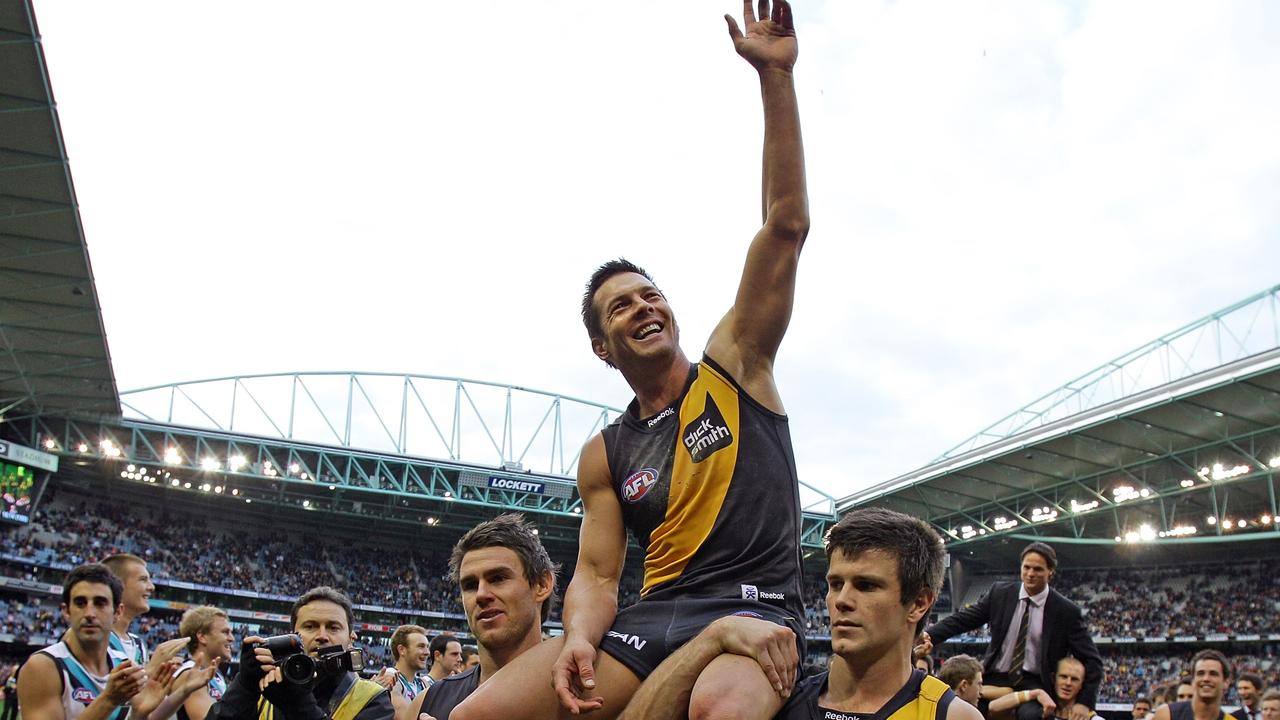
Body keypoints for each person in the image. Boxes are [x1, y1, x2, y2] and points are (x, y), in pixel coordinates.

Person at [454, 3, 810, 719]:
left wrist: (775, 78)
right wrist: (582, 636)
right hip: (650, 623)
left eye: (652, 295)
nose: (644, 307)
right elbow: (594, 572)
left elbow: (785, 225)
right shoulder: (605, 453)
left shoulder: (735, 365)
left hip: (753, 608)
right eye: (621, 307)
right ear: (601, 347)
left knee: (721, 711)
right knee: (473, 716)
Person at [618, 507, 981, 720]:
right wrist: (712, 637)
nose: (841, 600)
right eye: (835, 583)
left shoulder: (950, 716)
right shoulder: (774, 696)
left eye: (866, 586)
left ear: (919, 603)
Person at [923, 542, 1102, 720]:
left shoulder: (1065, 611)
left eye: (1038, 569)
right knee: (963, 709)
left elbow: (1092, 660)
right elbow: (963, 620)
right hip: (995, 677)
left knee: (1033, 717)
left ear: (1050, 572)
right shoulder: (1000, 593)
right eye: (1027, 567)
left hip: (1035, 683)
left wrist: (1085, 702)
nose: (1031, 574)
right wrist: (928, 635)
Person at [403, 513, 556, 720]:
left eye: (498, 578)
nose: (482, 595)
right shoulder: (426, 704)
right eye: (470, 585)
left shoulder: (586, 695)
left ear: (542, 585)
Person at [15, 564, 183, 720]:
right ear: (66, 611)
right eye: (80, 603)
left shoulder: (124, 665)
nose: (89, 613)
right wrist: (108, 700)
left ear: (117, 612)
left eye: (100, 603)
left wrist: (138, 714)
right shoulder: (44, 666)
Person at [206, 586, 392, 720]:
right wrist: (244, 686)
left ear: (351, 638)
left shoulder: (374, 698)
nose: (322, 636)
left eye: (333, 627)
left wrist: (299, 706)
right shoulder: (266, 691)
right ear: (293, 636)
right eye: (310, 626)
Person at [174, 605, 234, 720]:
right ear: (202, 637)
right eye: (225, 632)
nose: (232, 638)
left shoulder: (216, 674)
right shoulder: (190, 674)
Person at [1152, 650, 1239, 720]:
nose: (1206, 679)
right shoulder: (1167, 714)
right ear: (1193, 681)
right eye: (1200, 673)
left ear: (1226, 682)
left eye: (1213, 674)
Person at [385, 625, 428, 713]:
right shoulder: (390, 677)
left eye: (427, 647)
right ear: (402, 650)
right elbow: (404, 716)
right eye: (421, 646)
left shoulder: (423, 684)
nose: (427, 652)